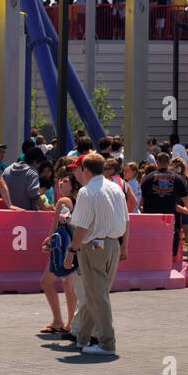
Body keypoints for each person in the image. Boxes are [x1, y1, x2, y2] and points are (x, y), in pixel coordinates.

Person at [63, 153, 130, 357]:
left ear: (85, 169)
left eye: (77, 169)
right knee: (97, 294)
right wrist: (124, 246)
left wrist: (71, 250)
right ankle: (82, 337)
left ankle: (107, 342)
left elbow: (82, 227)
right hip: (113, 245)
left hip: (93, 246)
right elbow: (127, 220)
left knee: (97, 296)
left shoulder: (86, 192)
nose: (75, 173)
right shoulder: (116, 188)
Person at [39, 190, 77, 334]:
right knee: (68, 285)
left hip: (63, 249)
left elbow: (55, 226)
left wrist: (49, 244)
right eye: (60, 180)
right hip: (75, 246)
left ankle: (59, 321)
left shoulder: (63, 201)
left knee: (47, 281)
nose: (61, 183)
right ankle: (70, 323)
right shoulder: (81, 199)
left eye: (65, 180)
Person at [2, 140, 46, 211]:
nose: (39, 167)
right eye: (39, 164)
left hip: (8, 215)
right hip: (27, 216)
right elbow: (34, 193)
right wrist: (44, 208)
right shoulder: (32, 172)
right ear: (35, 161)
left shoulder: (7, 170)